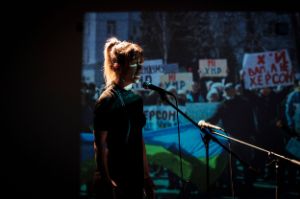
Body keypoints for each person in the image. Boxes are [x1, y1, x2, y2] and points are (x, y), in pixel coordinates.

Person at [92, 37, 156, 199]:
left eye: (140, 64)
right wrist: (107, 181)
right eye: (134, 64)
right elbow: (99, 146)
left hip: (136, 178)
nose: (139, 69)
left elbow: (139, 140)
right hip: (117, 179)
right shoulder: (106, 100)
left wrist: (146, 177)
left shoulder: (135, 100)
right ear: (117, 66)